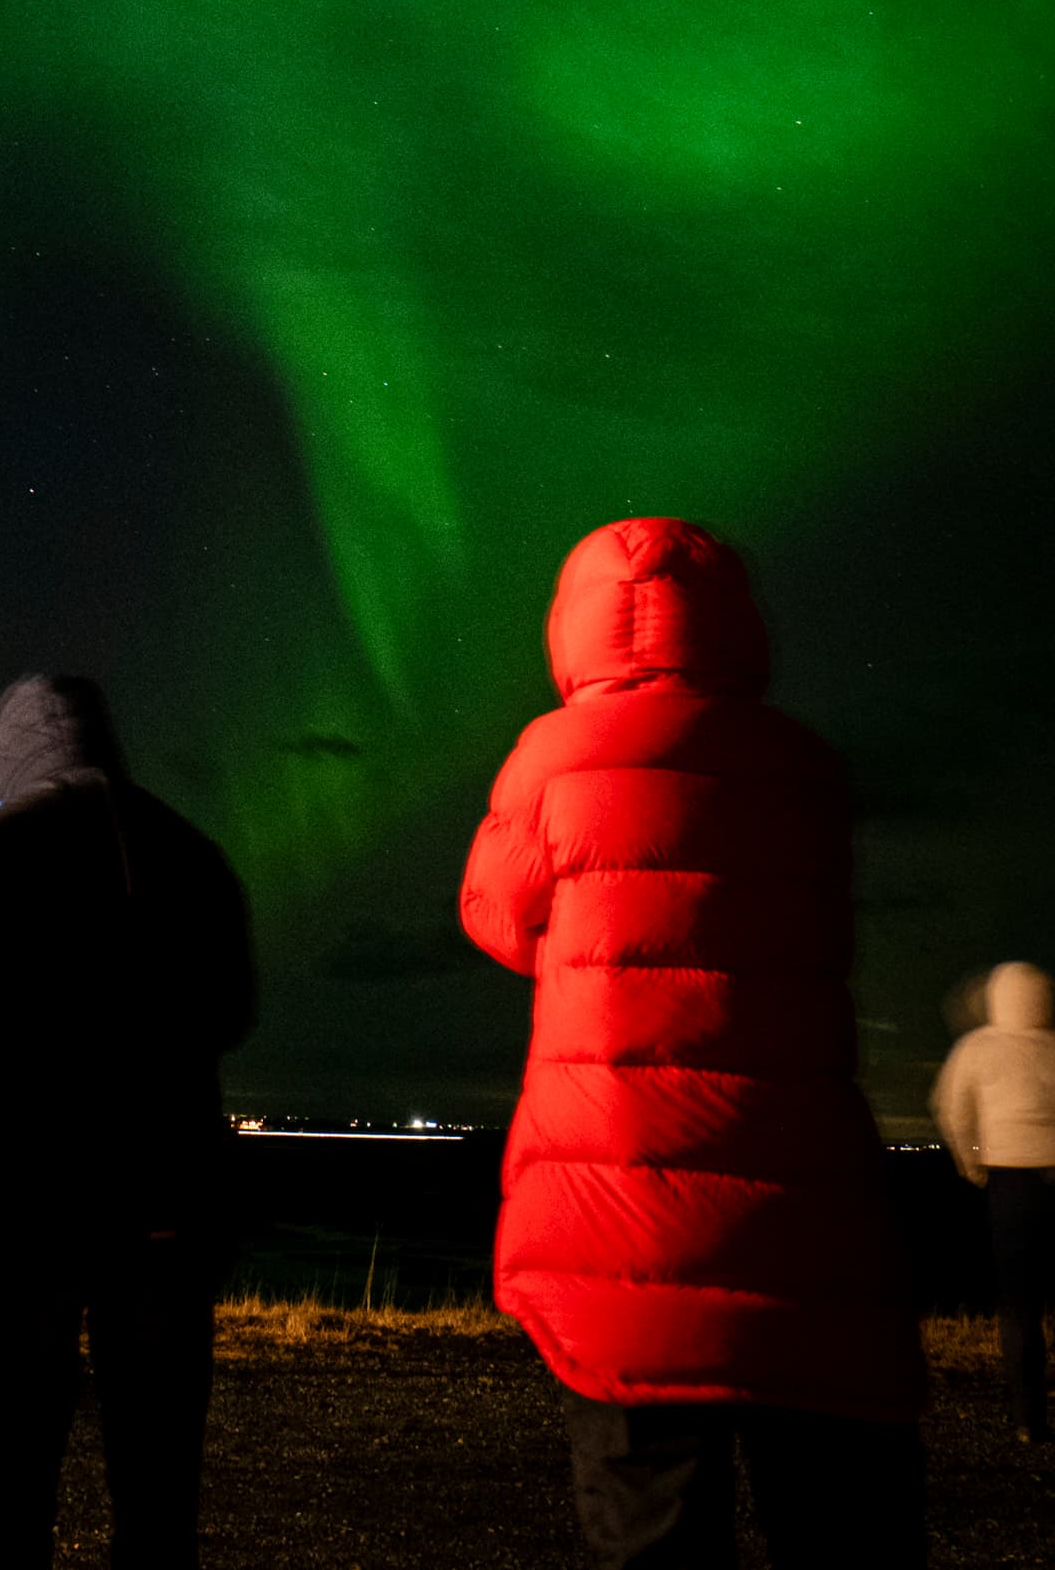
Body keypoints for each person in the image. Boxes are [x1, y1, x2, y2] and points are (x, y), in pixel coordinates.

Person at [459, 515, 925, 1568]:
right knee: (842, 1523)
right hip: (803, 1206)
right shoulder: (804, 768)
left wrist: (592, 952)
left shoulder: (551, 754)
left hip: (617, 1211)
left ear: (573, 625)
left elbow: (494, 914)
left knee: (654, 1531)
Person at [0, 673, 254, 1570]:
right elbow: (233, 1013)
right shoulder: (197, 854)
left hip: (28, 1210)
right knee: (158, 1488)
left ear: (5, 759)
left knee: (11, 1475)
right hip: (166, 1206)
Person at [932, 959, 1055, 1445]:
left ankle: (1028, 1418)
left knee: (1018, 1304)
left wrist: (973, 1165)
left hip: (1011, 1186)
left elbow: (951, 1108)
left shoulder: (977, 1048)